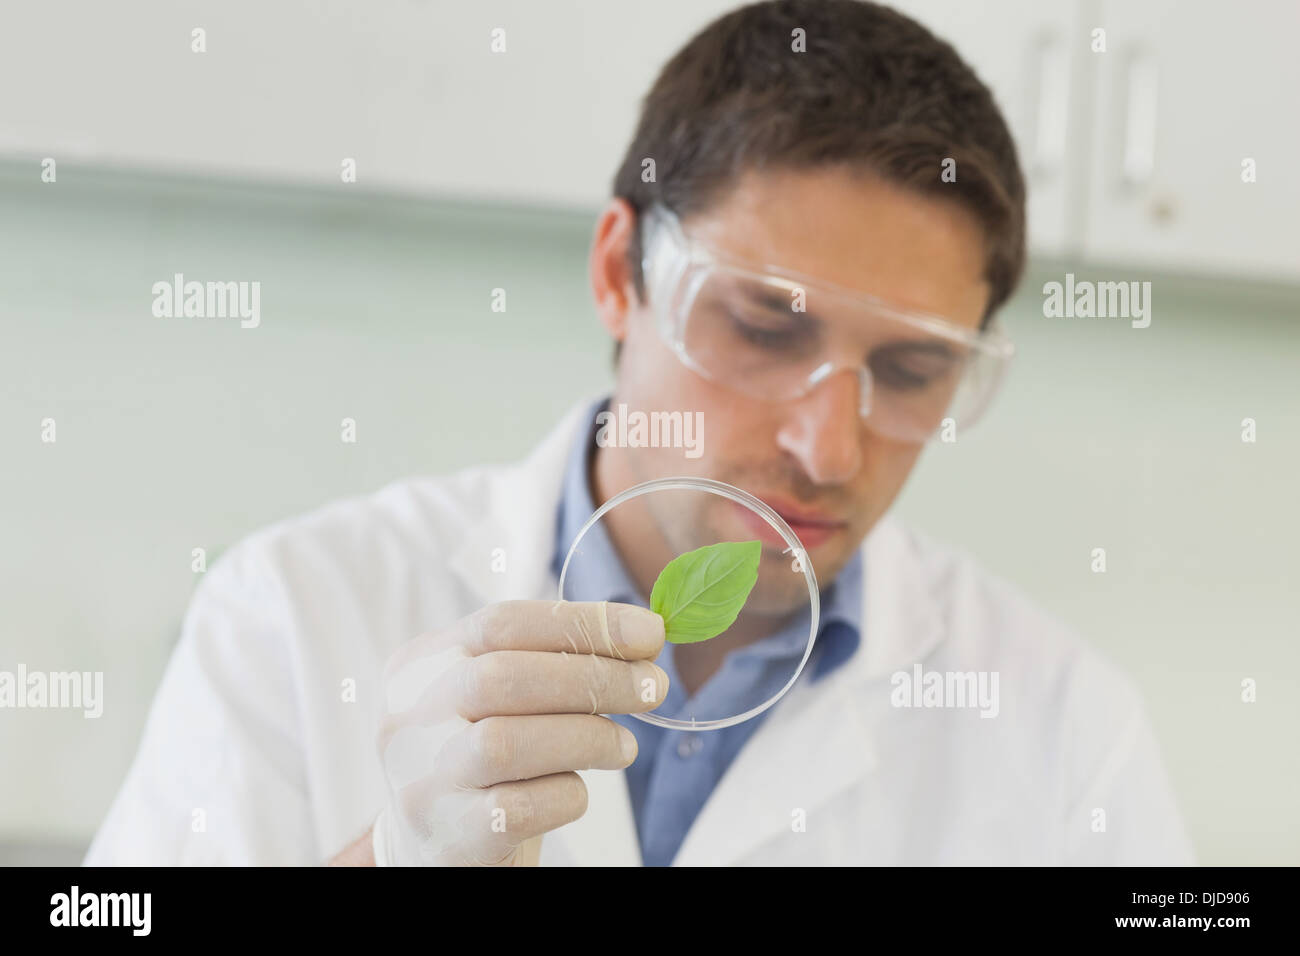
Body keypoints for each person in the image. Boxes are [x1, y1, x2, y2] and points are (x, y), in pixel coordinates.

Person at [84, 0, 1194, 866]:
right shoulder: (295, 608)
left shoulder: (1064, 725)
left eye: (911, 370)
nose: (831, 450)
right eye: (764, 326)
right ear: (620, 272)